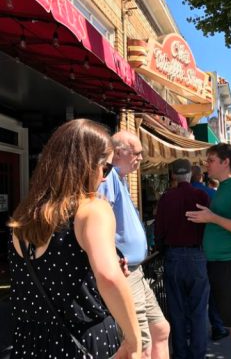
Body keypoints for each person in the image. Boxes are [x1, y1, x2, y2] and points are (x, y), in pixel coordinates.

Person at [8, 119, 141, 358]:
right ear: (86, 165)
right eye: (106, 168)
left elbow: (52, 274)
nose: (104, 178)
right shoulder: (92, 210)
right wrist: (134, 342)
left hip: (28, 343)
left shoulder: (23, 217)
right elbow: (109, 278)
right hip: (84, 340)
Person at [99, 131, 170, 359]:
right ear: (119, 153)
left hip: (137, 272)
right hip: (125, 273)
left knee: (161, 329)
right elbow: (100, 221)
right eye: (137, 153)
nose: (140, 158)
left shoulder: (120, 179)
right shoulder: (108, 178)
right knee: (139, 345)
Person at [186, 143, 231, 359]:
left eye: (210, 160)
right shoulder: (225, 187)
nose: (206, 164)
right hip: (223, 266)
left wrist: (212, 218)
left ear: (225, 162)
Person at [154, 159, 211, 357]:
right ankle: (198, 353)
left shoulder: (166, 198)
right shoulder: (201, 195)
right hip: (197, 255)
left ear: (173, 176)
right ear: (190, 174)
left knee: (176, 311)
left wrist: (160, 247)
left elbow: (158, 230)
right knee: (198, 310)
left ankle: (180, 353)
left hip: (174, 257)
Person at [189, 165, 229, 341]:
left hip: (183, 252)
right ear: (199, 177)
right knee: (212, 291)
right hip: (209, 249)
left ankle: (191, 330)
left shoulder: (171, 194)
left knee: (191, 294)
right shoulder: (212, 194)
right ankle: (217, 326)